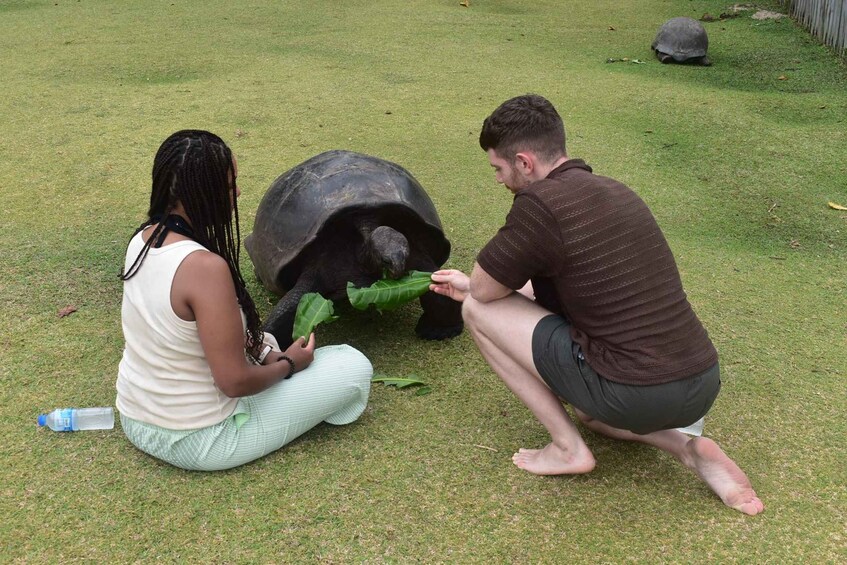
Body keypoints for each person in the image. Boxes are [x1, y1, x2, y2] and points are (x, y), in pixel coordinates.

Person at [430, 95, 763, 515]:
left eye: (498, 168)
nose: (498, 179)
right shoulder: (616, 190)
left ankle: (567, 449)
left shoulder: (540, 205)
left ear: (525, 162)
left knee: (476, 312)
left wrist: (471, 288)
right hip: (700, 381)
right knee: (591, 410)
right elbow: (570, 287)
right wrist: (473, 285)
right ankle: (687, 449)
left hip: (634, 390)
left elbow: (483, 293)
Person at [116, 130, 372, 471]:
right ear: (199, 193)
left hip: (134, 419)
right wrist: (289, 365)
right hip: (198, 439)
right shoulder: (205, 268)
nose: (237, 192)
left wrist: (265, 352)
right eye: (228, 185)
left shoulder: (143, 240)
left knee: (276, 352)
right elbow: (233, 382)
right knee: (352, 365)